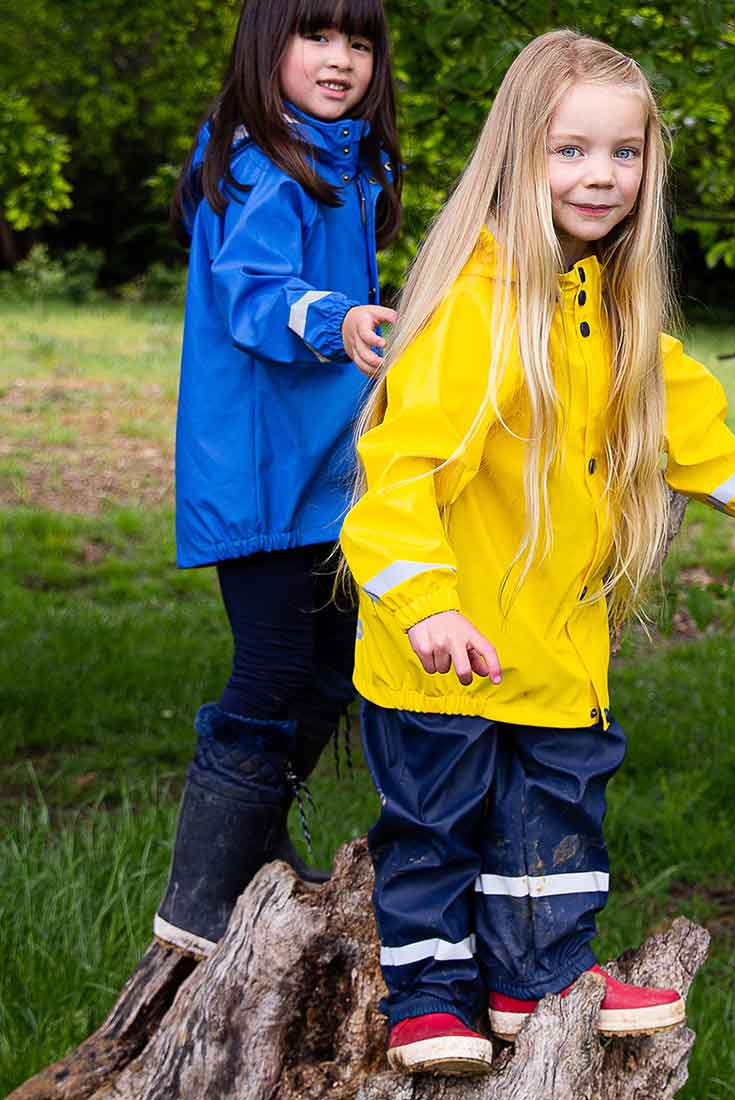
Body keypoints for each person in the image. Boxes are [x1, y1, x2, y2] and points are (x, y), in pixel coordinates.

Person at [339, 29, 735, 1076]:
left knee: (549, 827)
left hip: (556, 651)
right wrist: (424, 604)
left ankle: (534, 980)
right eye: (568, 151)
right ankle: (426, 998)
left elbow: (679, 417)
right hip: (445, 646)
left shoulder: (610, 306)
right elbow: (394, 481)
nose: (599, 175)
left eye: (623, 151)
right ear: (518, 158)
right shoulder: (477, 308)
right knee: (434, 827)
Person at [154, 0, 403, 960]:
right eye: (318, 36)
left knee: (336, 665)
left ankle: (254, 849)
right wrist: (333, 318)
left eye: (361, 41)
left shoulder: (349, 160)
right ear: (269, 44)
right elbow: (254, 290)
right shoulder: (260, 159)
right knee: (268, 670)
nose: (342, 60)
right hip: (258, 470)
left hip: (328, 473)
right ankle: (201, 897)